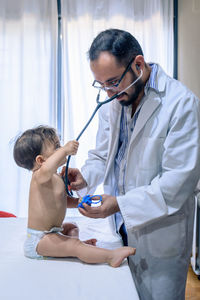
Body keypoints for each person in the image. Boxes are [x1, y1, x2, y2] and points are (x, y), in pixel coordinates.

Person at [67, 29, 200, 299]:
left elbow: (177, 184)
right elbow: (102, 155)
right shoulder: (113, 101)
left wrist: (119, 203)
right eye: (101, 84)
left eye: (114, 82)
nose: (108, 92)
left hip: (160, 235)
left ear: (138, 65)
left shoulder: (181, 105)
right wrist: (84, 176)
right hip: (119, 228)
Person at [13, 125, 135, 267]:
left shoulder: (56, 177)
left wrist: (79, 201)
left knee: (71, 227)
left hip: (53, 232)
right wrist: (65, 149)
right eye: (56, 147)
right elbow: (47, 168)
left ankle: (68, 248)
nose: (61, 149)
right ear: (41, 161)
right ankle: (110, 256)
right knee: (75, 245)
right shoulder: (40, 177)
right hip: (39, 240)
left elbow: (63, 201)